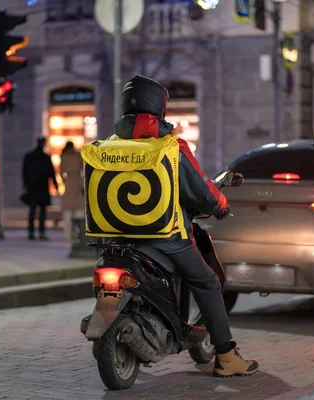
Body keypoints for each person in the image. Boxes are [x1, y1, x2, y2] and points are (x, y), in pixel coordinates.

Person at [108, 75, 258, 377]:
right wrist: (221, 206)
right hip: (167, 237)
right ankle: (227, 356)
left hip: (116, 238)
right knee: (207, 282)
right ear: (160, 109)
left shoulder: (109, 146)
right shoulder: (170, 147)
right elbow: (200, 192)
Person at [22, 137, 58, 241]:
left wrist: (25, 184)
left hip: (33, 187)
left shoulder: (30, 156)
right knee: (41, 211)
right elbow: (51, 172)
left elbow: (24, 172)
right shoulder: (45, 157)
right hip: (42, 187)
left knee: (32, 211)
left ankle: (31, 232)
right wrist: (55, 185)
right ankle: (41, 232)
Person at [59, 141, 85, 242]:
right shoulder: (66, 156)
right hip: (71, 183)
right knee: (68, 211)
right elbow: (61, 172)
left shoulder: (77, 156)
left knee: (79, 209)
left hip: (76, 182)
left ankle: (77, 234)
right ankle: (69, 235)